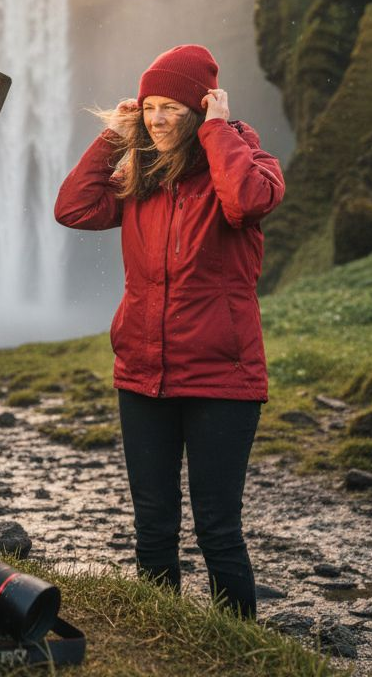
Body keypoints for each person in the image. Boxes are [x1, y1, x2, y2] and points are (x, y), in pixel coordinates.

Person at [54, 44, 284, 618]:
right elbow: (72, 208)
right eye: (149, 106)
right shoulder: (142, 181)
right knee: (153, 525)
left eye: (171, 107)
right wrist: (117, 134)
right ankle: (162, 637)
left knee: (217, 529)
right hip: (142, 375)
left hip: (221, 380)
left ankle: (239, 650)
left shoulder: (248, 165)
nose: (156, 118)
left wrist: (217, 130)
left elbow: (247, 201)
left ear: (202, 109)